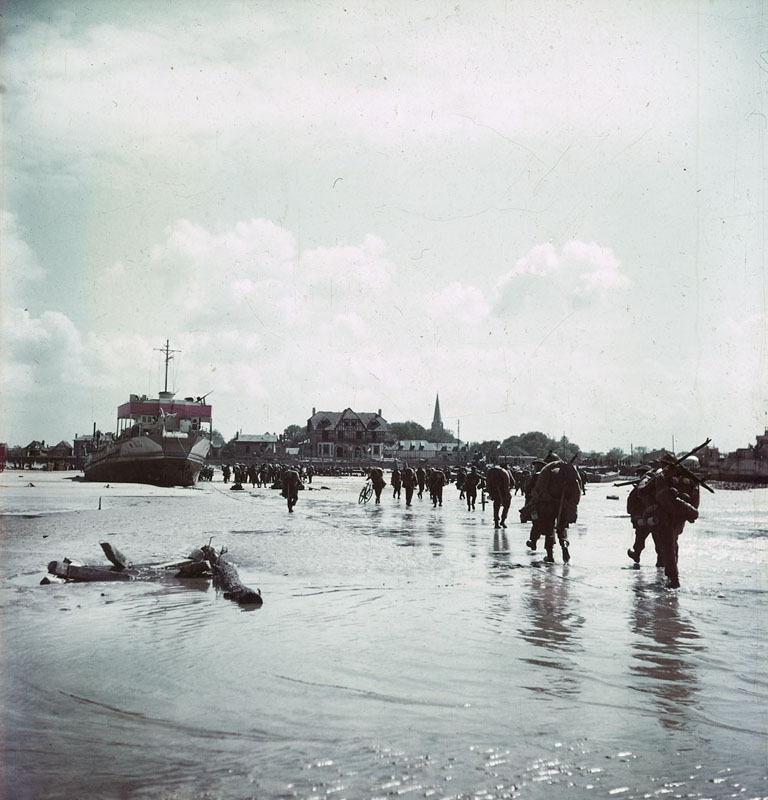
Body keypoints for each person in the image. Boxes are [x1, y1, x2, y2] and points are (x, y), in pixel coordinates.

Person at [626, 455, 702, 588]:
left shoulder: (658, 476)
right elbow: (695, 500)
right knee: (672, 544)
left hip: (662, 516)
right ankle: (668, 572)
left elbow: (642, 491)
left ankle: (673, 578)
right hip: (679, 517)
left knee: (668, 546)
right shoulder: (688, 478)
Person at [526, 454, 582, 563]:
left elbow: (538, 490)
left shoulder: (547, 471)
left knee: (549, 529)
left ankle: (550, 555)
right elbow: (577, 491)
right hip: (564, 504)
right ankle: (564, 547)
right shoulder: (567, 471)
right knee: (562, 528)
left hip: (548, 504)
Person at [485, 464, 512, 528]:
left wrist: (490, 492)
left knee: (496, 507)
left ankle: (496, 522)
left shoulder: (492, 472)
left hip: (495, 492)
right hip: (504, 492)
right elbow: (510, 483)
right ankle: (502, 521)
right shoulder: (505, 472)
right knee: (506, 506)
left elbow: (488, 483)